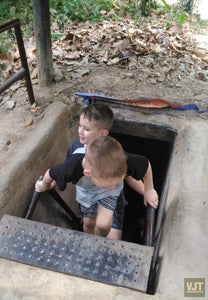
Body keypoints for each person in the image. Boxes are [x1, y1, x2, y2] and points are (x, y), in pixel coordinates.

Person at [63, 103, 158, 240]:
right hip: (88, 200)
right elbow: (65, 171)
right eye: (80, 126)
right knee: (90, 229)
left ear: (103, 133)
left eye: (87, 129)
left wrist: (147, 191)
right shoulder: (75, 150)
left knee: (111, 240)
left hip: (111, 201)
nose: (80, 131)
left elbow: (129, 175)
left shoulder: (112, 154)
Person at [36, 136, 127, 237]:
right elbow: (51, 173)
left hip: (108, 193)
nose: (113, 185)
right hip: (87, 194)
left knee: (103, 225)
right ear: (88, 173)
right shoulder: (71, 168)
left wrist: (148, 189)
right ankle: (89, 239)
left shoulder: (117, 161)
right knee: (89, 223)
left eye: (117, 181)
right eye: (110, 183)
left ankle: (99, 239)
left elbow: (143, 164)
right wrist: (44, 184)